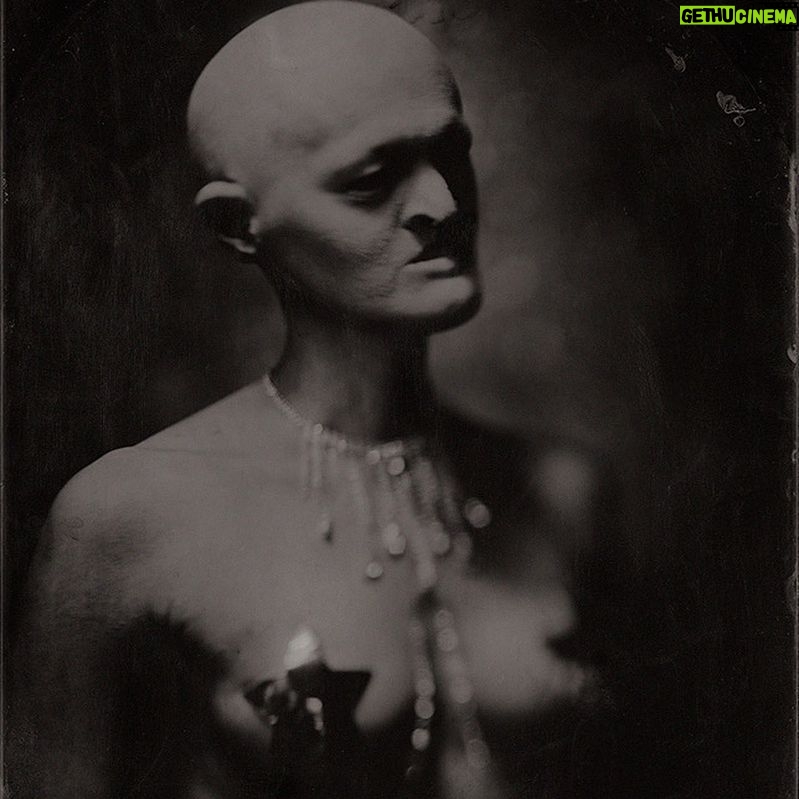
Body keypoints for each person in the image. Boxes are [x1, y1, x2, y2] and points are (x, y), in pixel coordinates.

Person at [8, 2, 626, 796]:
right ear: (238, 225)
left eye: (450, 154)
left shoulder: (566, 491)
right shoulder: (126, 517)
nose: (442, 205)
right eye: (371, 180)